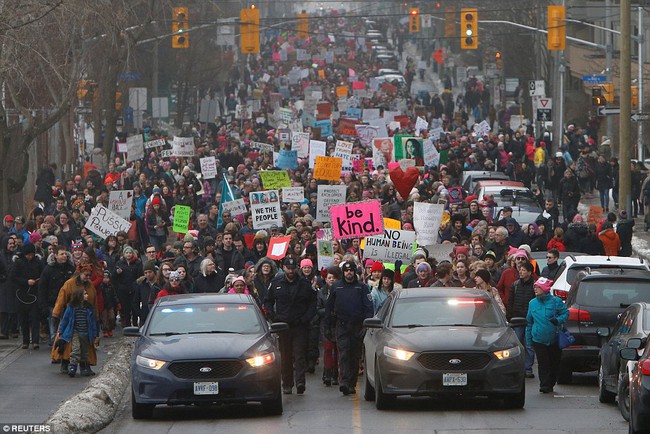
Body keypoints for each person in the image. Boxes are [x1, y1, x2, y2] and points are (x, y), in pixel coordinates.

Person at [263, 257, 316, 396]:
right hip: (283, 326)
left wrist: (305, 319)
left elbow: (313, 303)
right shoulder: (276, 283)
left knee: (299, 355)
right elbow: (267, 301)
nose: (291, 271)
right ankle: (287, 383)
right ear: (284, 268)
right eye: (288, 268)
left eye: (293, 268)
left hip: (299, 325)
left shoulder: (305, 284)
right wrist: (273, 317)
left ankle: (300, 382)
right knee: (285, 356)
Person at [326, 261, 373, 396]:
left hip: (357, 325)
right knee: (344, 354)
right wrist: (328, 326)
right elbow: (329, 307)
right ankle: (344, 382)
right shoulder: (336, 287)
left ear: (354, 272)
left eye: (351, 270)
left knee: (354, 355)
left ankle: (352, 383)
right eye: (346, 271)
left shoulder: (362, 288)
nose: (349, 273)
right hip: (341, 325)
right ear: (343, 273)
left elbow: (369, 308)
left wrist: (366, 324)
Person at [51, 265, 99, 373]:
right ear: (80, 273)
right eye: (86, 275)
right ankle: (65, 363)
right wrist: (56, 314)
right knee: (67, 344)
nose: (88, 277)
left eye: (89, 275)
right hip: (71, 320)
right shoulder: (69, 284)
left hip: (86, 320)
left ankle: (84, 365)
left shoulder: (90, 286)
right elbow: (61, 299)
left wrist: (96, 318)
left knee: (85, 347)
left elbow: (94, 303)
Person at [526, 277, 569, 393]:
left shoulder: (556, 301)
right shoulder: (532, 303)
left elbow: (566, 313)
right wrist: (528, 340)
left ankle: (551, 382)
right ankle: (544, 385)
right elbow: (529, 322)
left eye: (538, 287)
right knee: (543, 363)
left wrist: (558, 320)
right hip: (538, 339)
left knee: (554, 362)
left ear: (544, 289)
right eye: (534, 287)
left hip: (554, 339)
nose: (535, 289)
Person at [56, 286, 98, 377]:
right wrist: (61, 330)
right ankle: (72, 366)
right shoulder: (71, 307)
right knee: (76, 349)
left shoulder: (89, 308)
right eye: (85, 294)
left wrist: (95, 334)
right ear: (79, 296)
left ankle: (84, 368)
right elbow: (65, 319)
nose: (87, 295)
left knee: (84, 351)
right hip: (75, 331)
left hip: (86, 332)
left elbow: (93, 322)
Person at [38, 245, 75, 346]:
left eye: (65, 254)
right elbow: (42, 288)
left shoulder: (71, 268)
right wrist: (43, 305)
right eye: (61, 254)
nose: (64, 256)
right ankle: (55, 348)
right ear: (55, 255)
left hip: (68, 303)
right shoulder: (48, 269)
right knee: (53, 327)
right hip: (52, 302)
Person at [12, 243, 44, 349]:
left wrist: (37, 282)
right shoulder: (18, 263)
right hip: (21, 294)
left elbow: (42, 275)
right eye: (28, 255)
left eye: (31, 254)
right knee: (23, 319)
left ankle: (35, 341)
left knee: (35, 318)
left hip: (34, 294)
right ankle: (25, 340)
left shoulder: (38, 262)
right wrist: (26, 281)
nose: (30, 257)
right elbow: (13, 277)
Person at [507, 261, 536, 378]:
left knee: (529, 345)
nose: (521, 272)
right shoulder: (515, 285)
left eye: (523, 270)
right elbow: (510, 301)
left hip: (530, 319)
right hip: (517, 319)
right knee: (517, 344)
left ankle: (528, 368)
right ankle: (516, 368)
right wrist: (509, 316)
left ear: (530, 272)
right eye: (520, 270)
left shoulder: (534, 286)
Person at [318, 266, 340, 387]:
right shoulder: (321, 292)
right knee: (327, 349)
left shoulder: (340, 291)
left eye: (334, 278)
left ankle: (335, 374)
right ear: (325, 279)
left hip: (337, 324)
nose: (332, 280)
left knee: (337, 350)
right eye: (329, 278)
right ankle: (327, 373)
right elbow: (318, 308)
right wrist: (327, 312)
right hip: (325, 324)